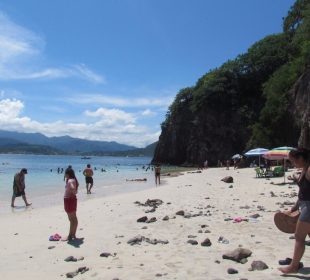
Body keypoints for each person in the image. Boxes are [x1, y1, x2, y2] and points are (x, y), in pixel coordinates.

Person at [279, 148, 310, 274]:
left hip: (309, 208)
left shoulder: (309, 170)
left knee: (299, 237)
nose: (293, 164)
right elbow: (303, 192)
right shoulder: (305, 169)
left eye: (293, 161)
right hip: (304, 206)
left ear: (301, 158)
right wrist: (294, 208)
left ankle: (293, 267)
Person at [63, 168, 78, 241]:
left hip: (69, 200)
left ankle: (69, 236)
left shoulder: (70, 180)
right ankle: (73, 235)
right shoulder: (73, 179)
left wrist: (73, 191)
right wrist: (74, 192)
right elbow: (73, 187)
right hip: (72, 199)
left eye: (65, 173)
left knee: (71, 219)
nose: (64, 175)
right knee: (74, 218)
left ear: (67, 174)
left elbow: (72, 187)